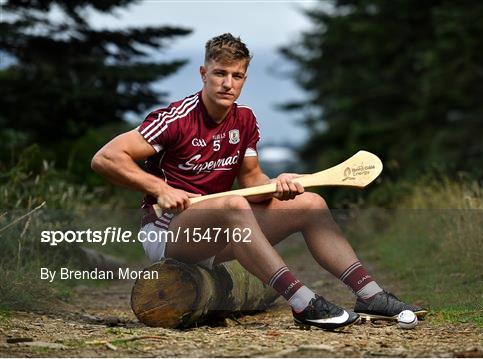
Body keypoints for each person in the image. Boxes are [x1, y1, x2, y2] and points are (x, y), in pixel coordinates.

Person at [91, 33, 427, 330]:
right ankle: (302, 302)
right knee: (234, 204)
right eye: (220, 73)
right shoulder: (175, 120)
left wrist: (279, 185)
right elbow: (106, 157)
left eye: (237, 76)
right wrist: (160, 188)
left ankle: (370, 296)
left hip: (221, 229)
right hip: (170, 233)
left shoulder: (245, 120)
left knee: (310, 204)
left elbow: (253, 180)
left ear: (245, 78)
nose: (228, 83)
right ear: (203, 73)